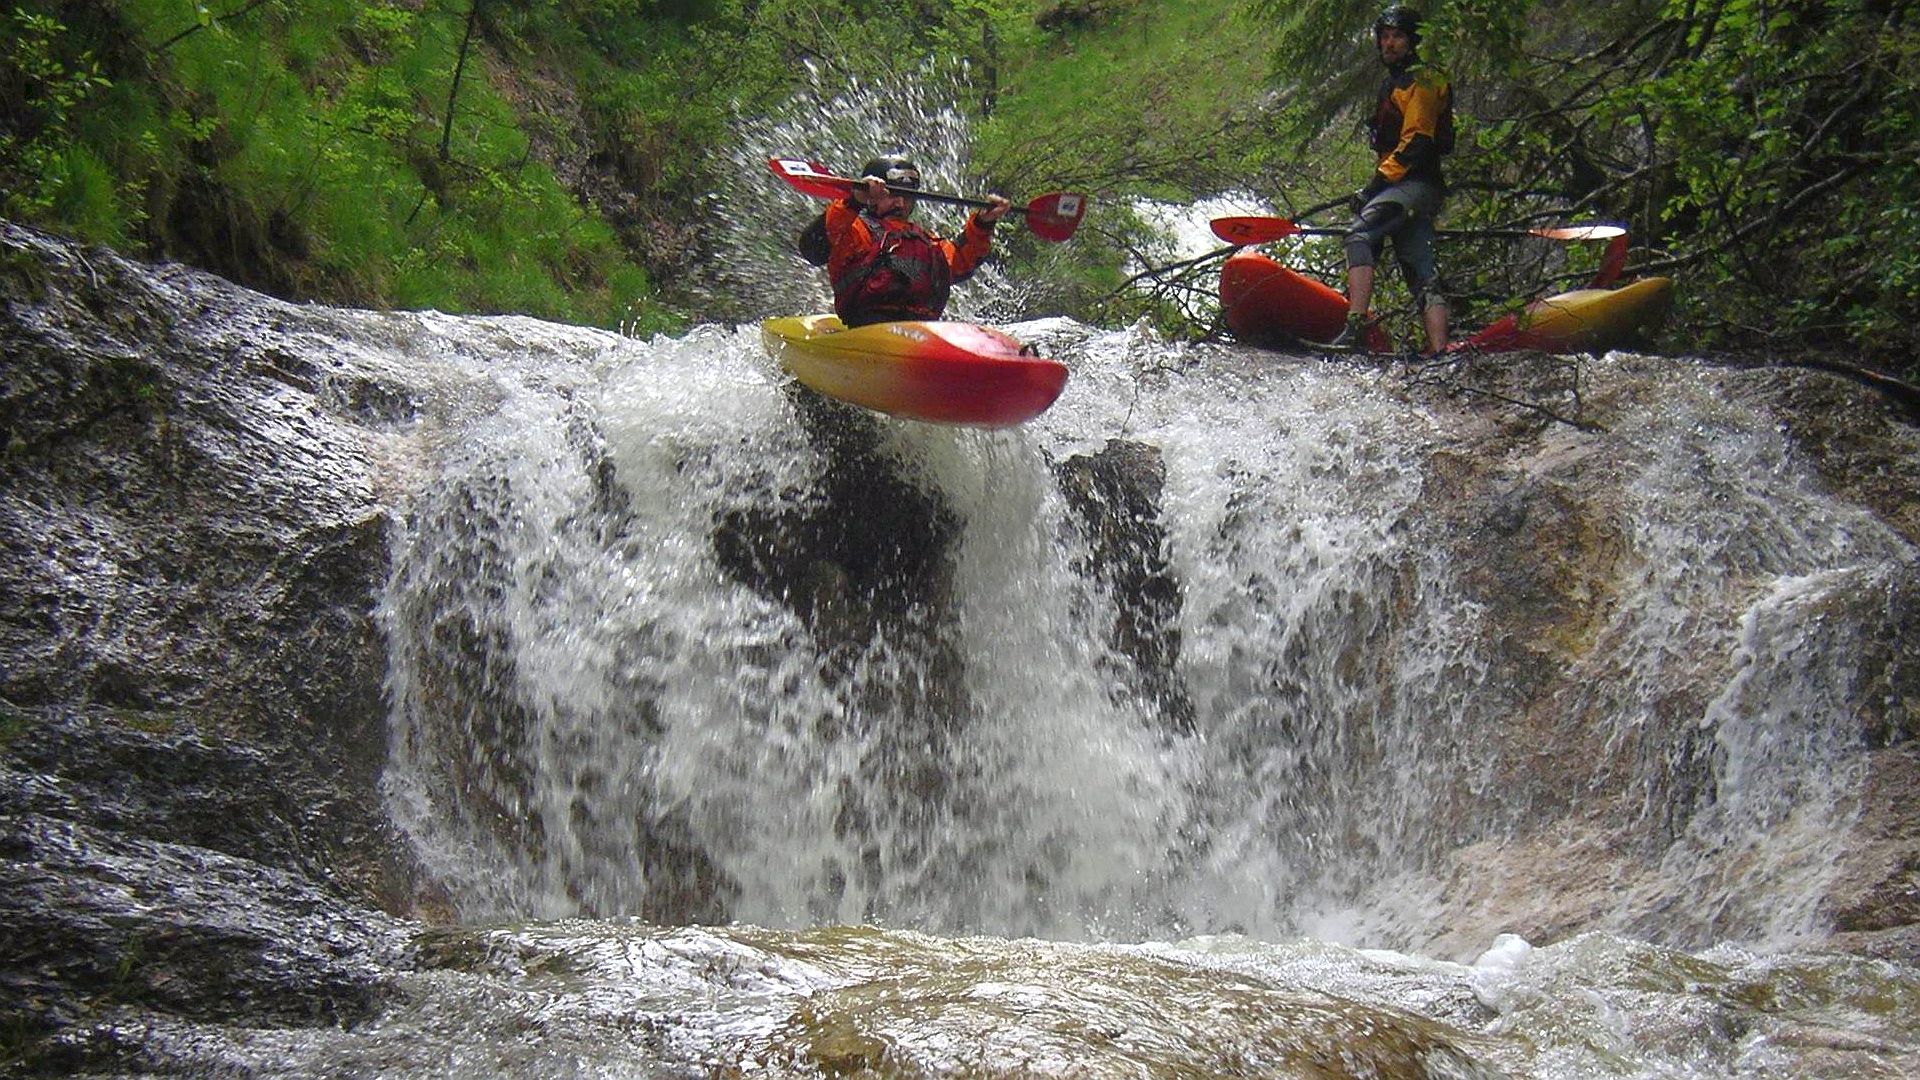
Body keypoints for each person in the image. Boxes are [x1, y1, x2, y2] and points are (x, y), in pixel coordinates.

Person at [1332, 6, 1454, 355]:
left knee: (1358, 234)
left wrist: (1372, 190)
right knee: (1419, 269)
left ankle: (1355, 329)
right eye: (1385, 37)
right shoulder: (1396, 83)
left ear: (1413, 41)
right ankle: (1440, 351)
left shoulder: (1423, 81)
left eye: (1397, 36)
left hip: (1414, 187)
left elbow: (1415, 142)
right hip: (1410, 189)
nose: (1389, 43)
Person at [814, 156, 1011, 327]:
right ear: (870, 196)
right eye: (892, 195)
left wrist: (982, 223)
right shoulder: (853, 229)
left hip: (919, 331)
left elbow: (960, 262)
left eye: (907, 197)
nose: (900, 203)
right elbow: (813, 247)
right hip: (866, 330)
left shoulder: (923, 240)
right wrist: (854, 200)